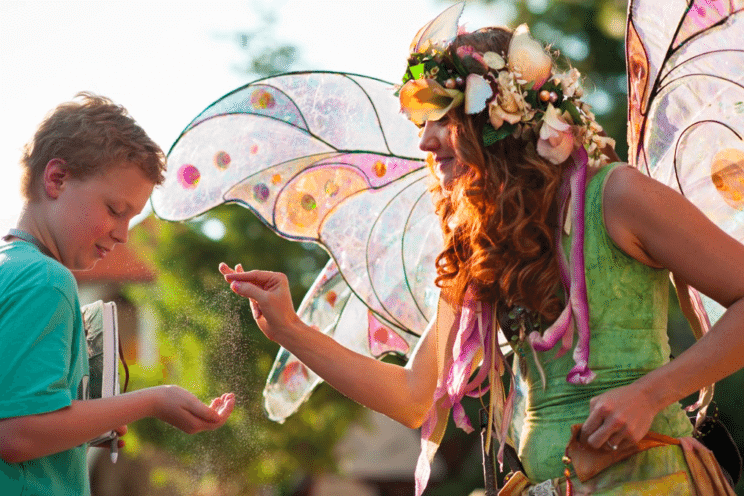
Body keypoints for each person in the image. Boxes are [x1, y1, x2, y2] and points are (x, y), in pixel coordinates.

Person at [219, 11, 744, 496]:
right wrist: (289, 329)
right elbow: (412, 396)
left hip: (655, 479)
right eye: (420, 125)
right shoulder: (482, 244)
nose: (424, 143)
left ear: (500, 117)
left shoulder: (618, 195)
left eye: (440, 117)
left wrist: (652, 393)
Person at [0, 92, 235, 496]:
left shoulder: (11, 269)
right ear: (56, 179)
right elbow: (17, 436)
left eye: (132, 217)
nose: (123, 234)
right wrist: (152, 401)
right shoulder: (47, 281)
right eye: (114, 209)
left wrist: (89, 421)